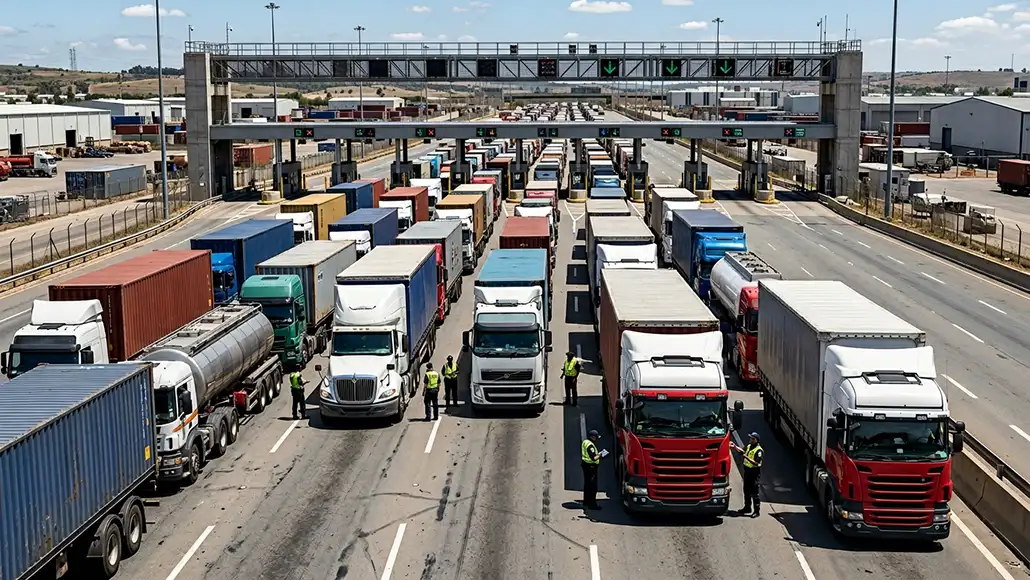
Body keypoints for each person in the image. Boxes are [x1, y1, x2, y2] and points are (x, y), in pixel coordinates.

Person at [730, 432, 764, 517]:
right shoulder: (749, 446)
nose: (750, 440)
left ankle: (757, 511)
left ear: (756, 440)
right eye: (750, 438)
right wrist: (734, 447)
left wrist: (746, 457)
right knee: (746, 491)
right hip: (747, 472)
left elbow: (756, 462)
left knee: (755, 493)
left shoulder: (759, 450)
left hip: (754, 473)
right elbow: (742, 451)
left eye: (752, 439)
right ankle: (747, 507)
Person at [581, 429, 602, 510]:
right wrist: (600, 455)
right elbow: (593, 458)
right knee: (593, 486)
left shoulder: (585, 442)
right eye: (596, 437)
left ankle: (586, 501)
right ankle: (592, 504)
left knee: (587, 484)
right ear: (592, 437)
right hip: (591, 467)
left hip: (585, 465)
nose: (597, 439)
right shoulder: (590, 446)